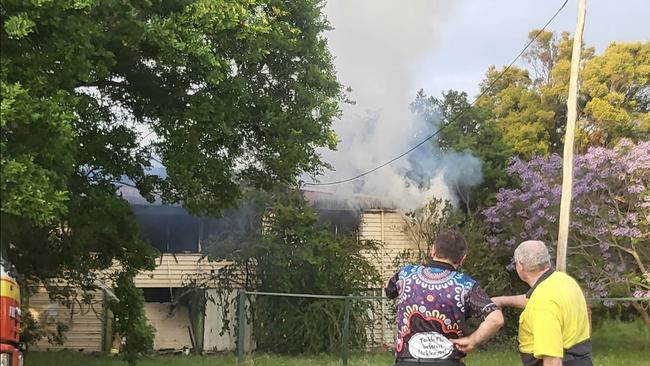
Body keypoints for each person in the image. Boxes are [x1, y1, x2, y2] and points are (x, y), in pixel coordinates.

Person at [385, 230, 504, 366]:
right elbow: (496, 319)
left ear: (433, 250)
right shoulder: (466, 285)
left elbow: (389, 290)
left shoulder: (405, 274)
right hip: (449, 362)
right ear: (463, 258)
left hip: (407, 362)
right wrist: (472, 340)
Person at [491, 240, 592, 366]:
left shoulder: (543, 304)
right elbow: (532, 300)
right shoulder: (564, 281)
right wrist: (501, 300)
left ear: (520, 266)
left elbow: (553, 360)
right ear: (547, 261)